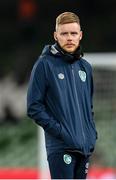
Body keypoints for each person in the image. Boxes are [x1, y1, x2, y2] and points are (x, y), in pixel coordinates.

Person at [27, 11, 97, 179]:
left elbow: (89, 107)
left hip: (84, 148)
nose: (69, 38)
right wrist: (60, 132)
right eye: (64, 33)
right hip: (61, 149)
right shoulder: (44, 65)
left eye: (73, 33)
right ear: (55, 35)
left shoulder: (85, 68)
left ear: (80, 35)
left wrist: (91, 134)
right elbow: (34, 107)